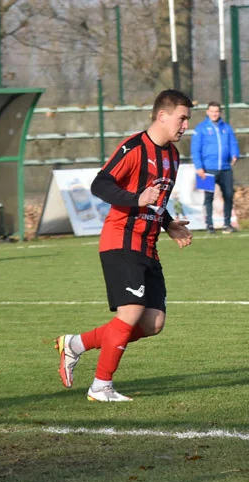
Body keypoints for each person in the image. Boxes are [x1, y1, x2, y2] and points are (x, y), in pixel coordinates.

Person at [55, 89, 194, 402]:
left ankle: (75, 345)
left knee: (153, 322)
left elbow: (156, 201)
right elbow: (100, 183)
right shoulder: (134, 147)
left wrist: (168, 223)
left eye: (187, 119)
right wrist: (136, 198)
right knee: (130, 312)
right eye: (181, 118)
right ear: (162, 115)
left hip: (148, 244)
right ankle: (100, 386)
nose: (185, 125)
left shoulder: (172, 154)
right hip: (121, 239)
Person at [191, 101, 240, 234]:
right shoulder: (200, 128)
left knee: (229, 195)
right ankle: (209, 225)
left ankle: (227, 224)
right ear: (207, 112)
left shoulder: (226, 128)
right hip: (208, 169)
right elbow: (195, 149)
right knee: (208, 197)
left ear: (220, 112)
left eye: (216, 111)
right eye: (212, 111)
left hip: (225, 168)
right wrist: (199, 167)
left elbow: (233, 143)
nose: (214, 114)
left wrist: (235, 154)